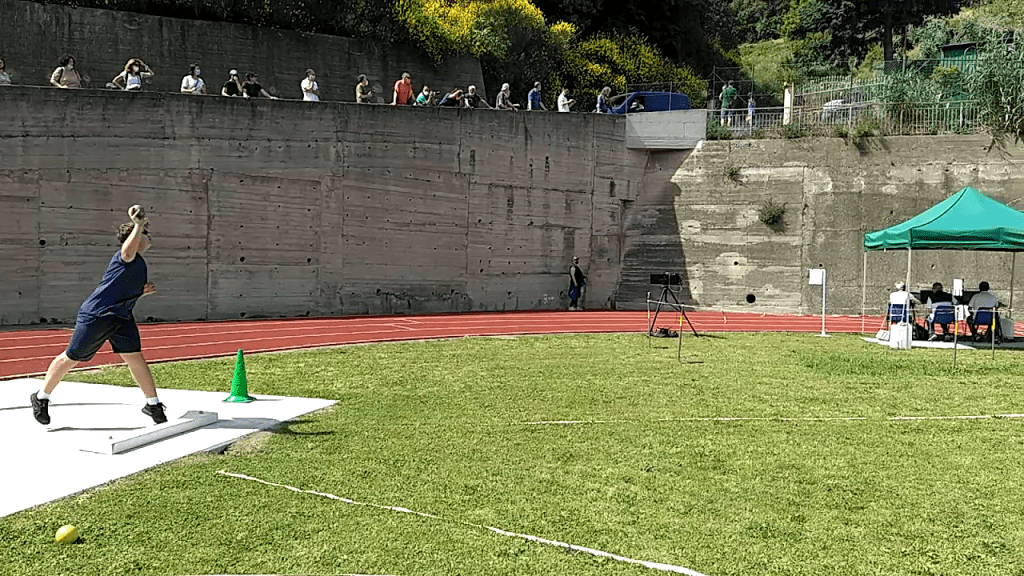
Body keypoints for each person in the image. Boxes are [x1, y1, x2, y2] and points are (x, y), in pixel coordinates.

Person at [30, 206, 166, 426]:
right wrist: (138, 224)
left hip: (121, 317)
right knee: (72, 357)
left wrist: (140, 292)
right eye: (144, 233)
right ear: (136, 236)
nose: (149, 237)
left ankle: (153, 404)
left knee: (135, 357)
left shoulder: (139, 262)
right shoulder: (125, 256)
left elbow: (119, 290)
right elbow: (127, 252)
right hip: (97, 316)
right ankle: (41, 397)